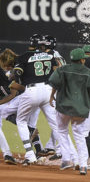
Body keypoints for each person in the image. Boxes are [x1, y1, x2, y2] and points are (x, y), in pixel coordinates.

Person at [49, 48, 90, 175]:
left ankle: (66, 160)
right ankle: (83, 166)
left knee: (62, 131)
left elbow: (54, 84)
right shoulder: (88, 73)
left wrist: (51, 97)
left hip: (63, 107)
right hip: (80, 109)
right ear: (82, 60)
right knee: (79, 135)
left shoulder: (62, 69)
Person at [13, 35, 63, 165]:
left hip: (31, 91)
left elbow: (17, 73)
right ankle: (66, 152)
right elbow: (57, 71)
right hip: (48, 91)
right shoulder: (50, 55)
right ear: (41, 45)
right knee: (56, 124)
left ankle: (30, 155)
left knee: (21, 121)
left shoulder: (24, 56)